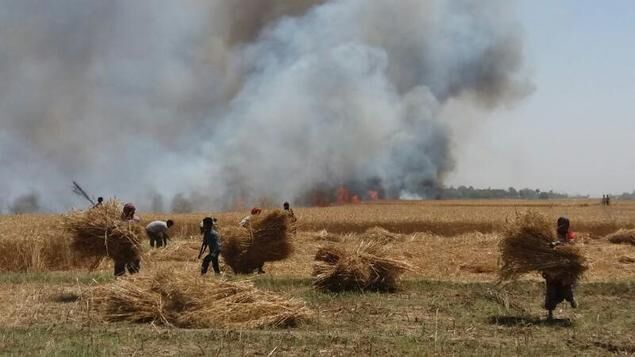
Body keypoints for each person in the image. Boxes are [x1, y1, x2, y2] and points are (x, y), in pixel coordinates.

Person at [544, 216, 577, 320]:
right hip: (553, 268)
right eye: (563, 225)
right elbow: (545, 247)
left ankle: (571, 300)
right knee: (551, 291)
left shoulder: (569, 235)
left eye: (567, 225)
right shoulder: (552, 235)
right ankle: (550, 314)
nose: (565, 227)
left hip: (564, 268)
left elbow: (572, 243)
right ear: (559, 225)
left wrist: (559, 244)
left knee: (566, 288)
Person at [240, 208, 265, 273]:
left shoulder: (258, 220)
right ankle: (250, 269)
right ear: (255, 213)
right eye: (258, 213)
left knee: (261, 255)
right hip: (251, 240)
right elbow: (241, 224)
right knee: (251, 255)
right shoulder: (248, 218)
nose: (259, 214)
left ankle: (259, 269)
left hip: (257, 240)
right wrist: (248, 228)